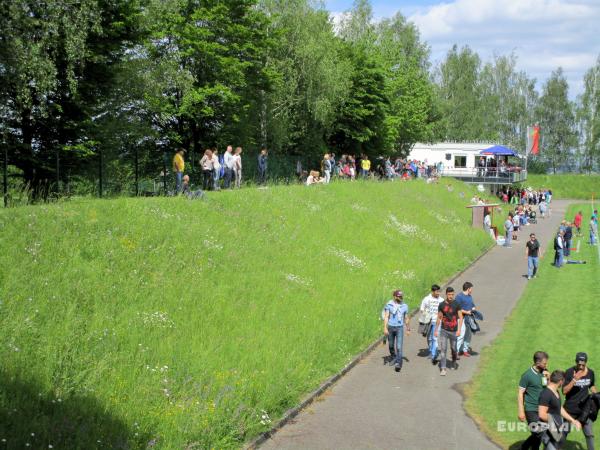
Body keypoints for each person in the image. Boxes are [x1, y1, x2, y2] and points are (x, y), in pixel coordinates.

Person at [539, 370, 581, 450]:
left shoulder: (556, 391)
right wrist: (555, 423)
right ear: (561, 381)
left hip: (555, 430)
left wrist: (572, 420)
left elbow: (559, 408)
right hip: (548, 431)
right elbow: (541, 414)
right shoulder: (546, 394)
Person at [562, 352, 597, 450]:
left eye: (583, 364)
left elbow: (591, 385)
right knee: (563, 433)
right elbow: (564, 391)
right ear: (575, 362)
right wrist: (574, 380)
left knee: (589, 434)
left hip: (585, 409)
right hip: (570, 409)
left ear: (586, 362)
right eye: (579, 364)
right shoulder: (569, 372)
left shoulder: (590, 373)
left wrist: (596, 395)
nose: (581, 366)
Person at [518, 351, 550, 450]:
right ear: (537, 363)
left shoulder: (544, 372)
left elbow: (549, 389)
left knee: (537, 437)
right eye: (545, 363)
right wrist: (521, 411)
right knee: (539, 432)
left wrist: (548, 378)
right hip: (531, 409)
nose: (546, 365)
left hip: (543, 409)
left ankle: (524, 447)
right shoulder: (527, 375)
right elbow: (520, 393)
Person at [434, 286, 463, 376]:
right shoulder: (442, 305)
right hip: (444, 330)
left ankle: (454, 361)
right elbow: (439, 317)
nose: (451, 296)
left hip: (454, 330)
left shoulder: (457, 304)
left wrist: (459, 330)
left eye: (452, 294)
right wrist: (436, 330)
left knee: (454, 348)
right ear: (446, 294)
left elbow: (461, 317)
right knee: (443, 349)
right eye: (449, 294)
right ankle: (443, 368)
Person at [383, 290, 410, 372]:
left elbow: (406, 317)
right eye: (399, 296)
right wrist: (385, 327)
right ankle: (394, 356)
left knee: (399, 346)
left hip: (399, 328)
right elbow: (386, 316)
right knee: (391, 345)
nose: (401, 298)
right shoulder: (389, 305)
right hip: (391, 327)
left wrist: (408, 328)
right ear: (394, 296)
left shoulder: (404, 306)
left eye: (401, 296)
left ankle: (398, 363)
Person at [419, 284, 443, 363]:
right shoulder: (426, 299)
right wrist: (426, 314)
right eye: (437, 291)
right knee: (429, 338)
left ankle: (434, 354)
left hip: (437, 321)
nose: (438, 293)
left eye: (439, 291)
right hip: (428, 321)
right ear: (432, 291)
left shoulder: (441, 300)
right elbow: (422, 309)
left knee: (435, 338)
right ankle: (431, 350)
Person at [455, 282, 476, 357]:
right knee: (460, 335)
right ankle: (456, 352)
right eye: (471, 288)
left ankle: (464, 350)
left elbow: (472, 305)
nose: (472, 290)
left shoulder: (469, 296)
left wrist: (473, 309)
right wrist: (466, 312)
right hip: (461, 319)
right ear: (468, 289)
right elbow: (457, 308)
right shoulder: (459, 297)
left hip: (469, 318)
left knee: (468, 335)